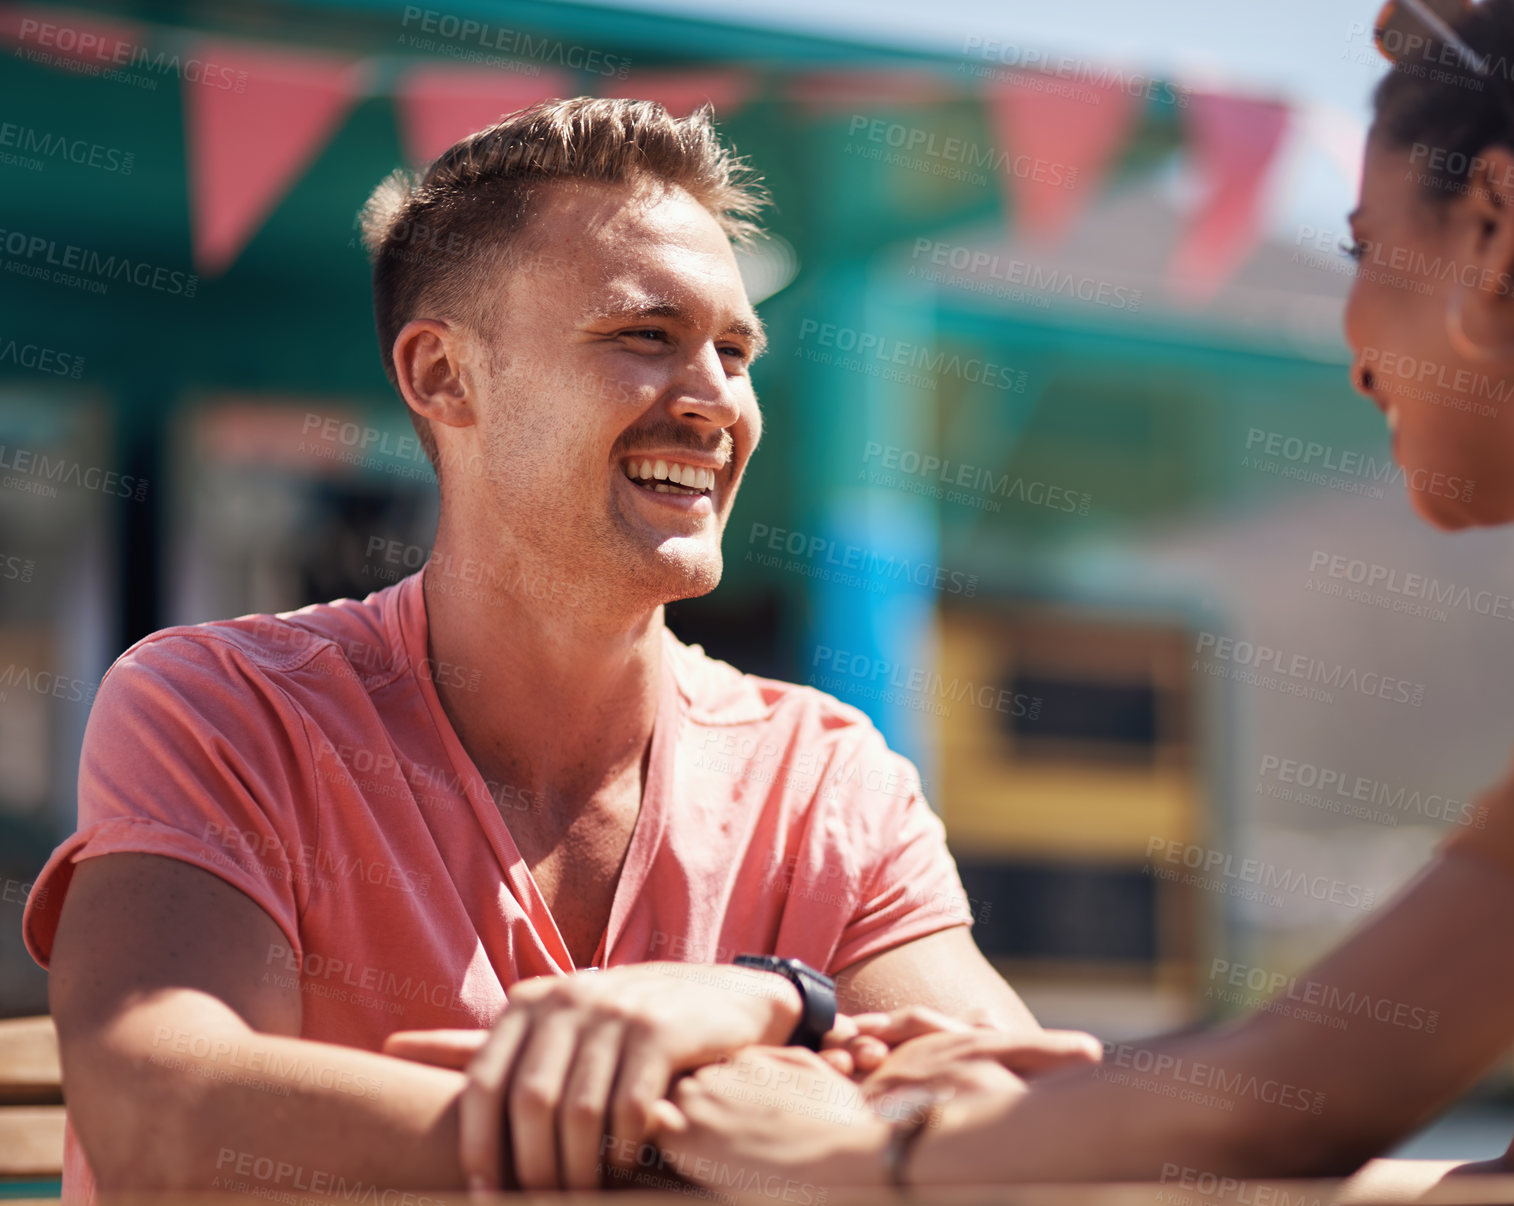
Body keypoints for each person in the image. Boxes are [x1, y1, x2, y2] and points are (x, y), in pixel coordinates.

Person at [652, 0, 1514, 1195]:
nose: (1353, 343)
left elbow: (1293, 1103)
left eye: (1364, 250)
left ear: (1494, 230)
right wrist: (1059, 1126)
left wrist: (876, 1160)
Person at [21, 98, 1058, 1203]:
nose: (717, 400)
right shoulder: (223, 708)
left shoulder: (826, 776)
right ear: (441, 377)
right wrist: (717, 1127)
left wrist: (764, 999)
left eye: (736, 350)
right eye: (643, 336)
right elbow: (162, 1120)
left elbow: (1026, 1139)